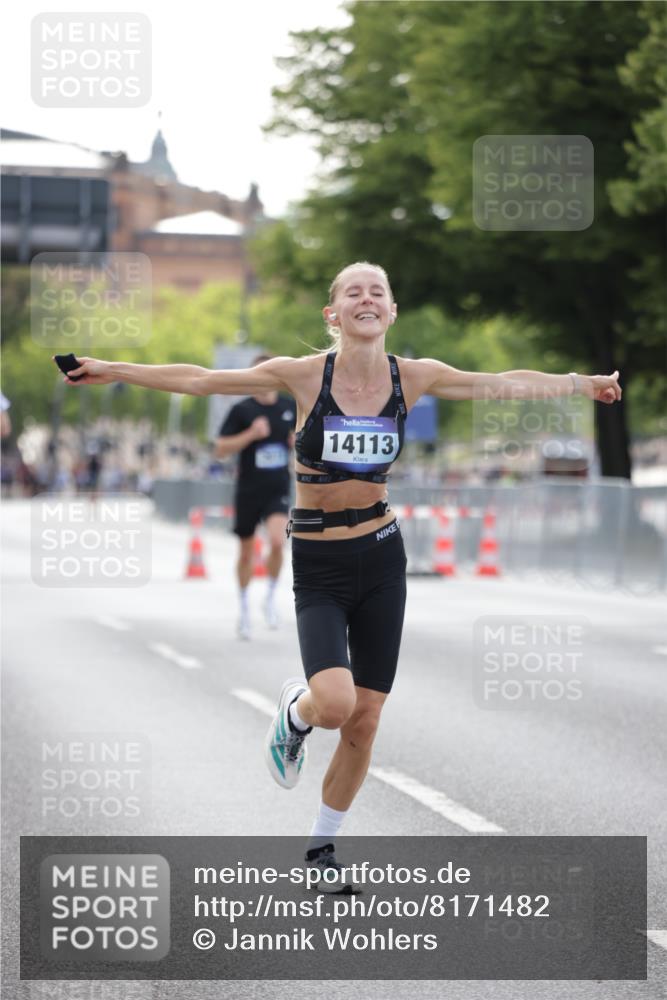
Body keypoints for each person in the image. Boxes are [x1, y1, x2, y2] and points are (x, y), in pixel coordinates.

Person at [55, 261, 622, 892]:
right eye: (353, 291)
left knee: (366, 719)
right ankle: (295, 716)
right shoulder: (303, 376)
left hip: (382, 555)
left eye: (378, 290)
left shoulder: (416, 376)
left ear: (391, 311)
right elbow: (202, 378)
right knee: (333, 704)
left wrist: (582, 383)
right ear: (335, 315)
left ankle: (322, 849)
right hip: (320, 562)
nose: (366, 298)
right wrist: (112, 368)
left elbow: (501, 382)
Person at [215, 353, 297, 639]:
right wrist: (250, 434)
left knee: (277, 542)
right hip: (249, 489)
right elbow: (221, 449)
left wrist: (297, 442)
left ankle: (271, 597)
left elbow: (308, 442)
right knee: (247, 551)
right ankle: (244, 608)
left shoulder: (289, 407)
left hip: (278, 488)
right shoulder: (242, 410)